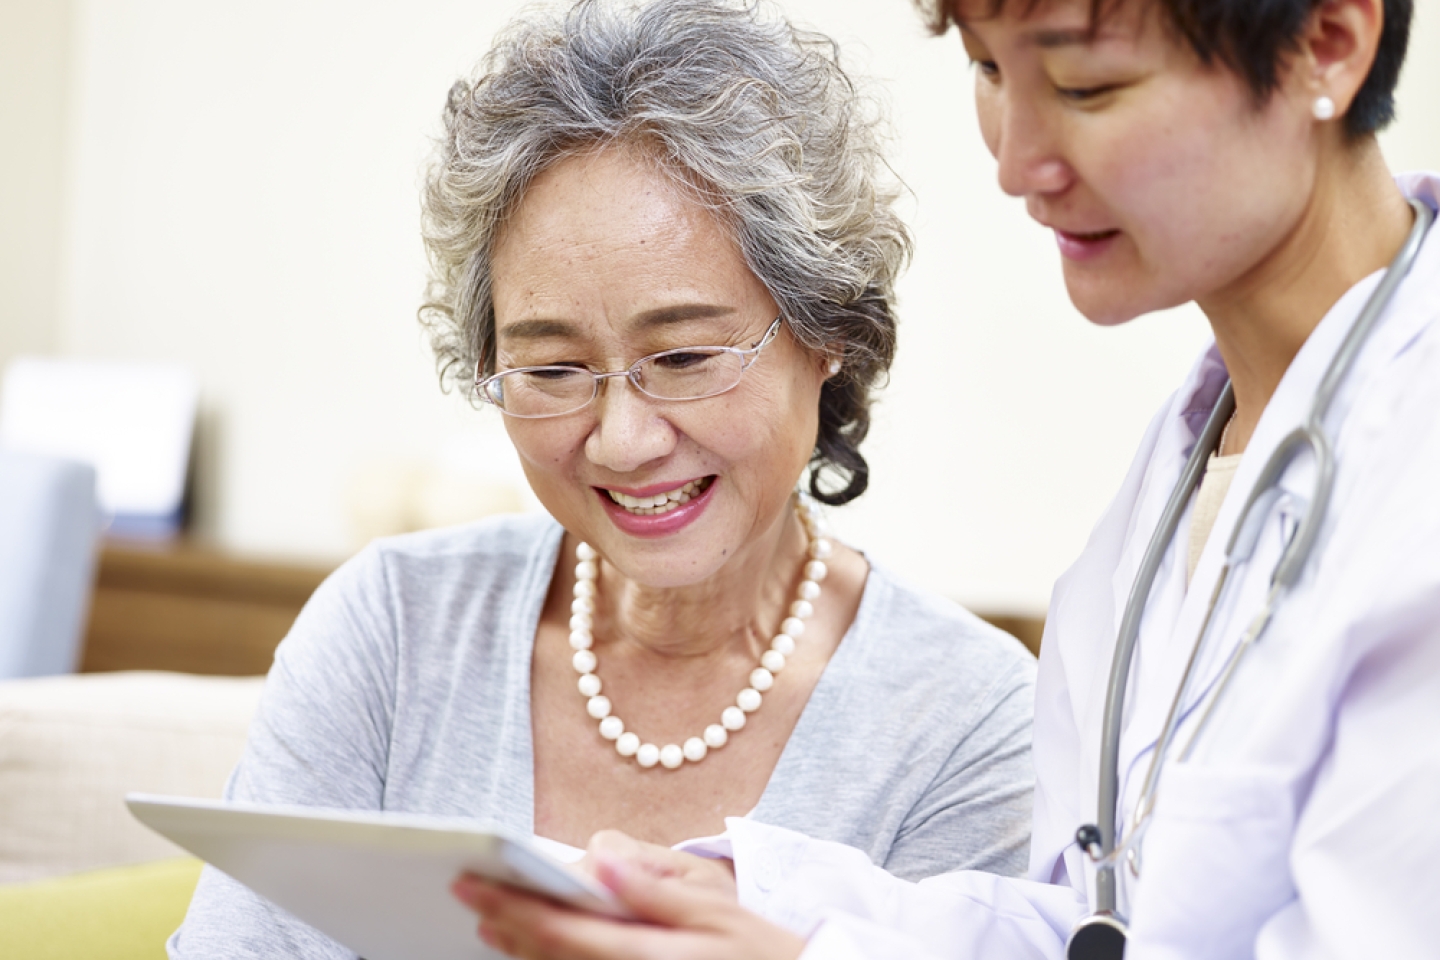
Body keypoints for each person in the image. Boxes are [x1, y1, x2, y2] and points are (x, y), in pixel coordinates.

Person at [454, 0, 1440, 957]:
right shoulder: (1193, 467)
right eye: (989, 70)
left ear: (1327, 43)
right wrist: (772, 904)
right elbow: (1116, 932)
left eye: (1086, 85)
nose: (1017, 164)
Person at [167, 1, 1041, 956]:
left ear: (826, 329)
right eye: (551, 370)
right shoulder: (392, 632)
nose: (622, 442)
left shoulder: (967, 720)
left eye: (684, 356)